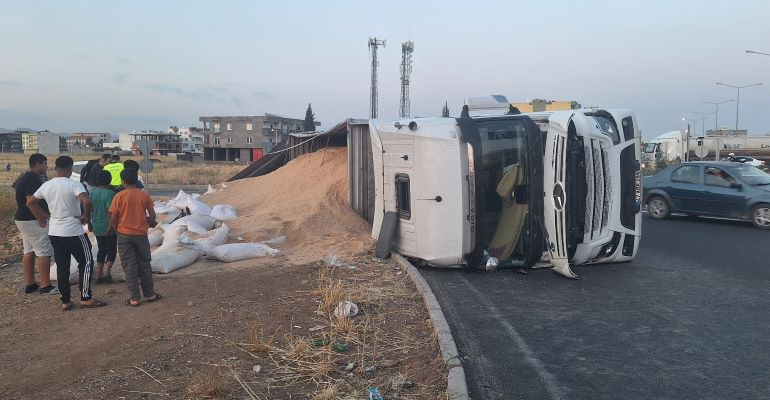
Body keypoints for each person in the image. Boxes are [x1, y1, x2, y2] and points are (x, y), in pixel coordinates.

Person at [27, 156, 107, 311]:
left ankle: (66, 301)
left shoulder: (47, 185)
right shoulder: (74, 184)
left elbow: (30, 202)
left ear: (56, 168)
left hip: (55, 232)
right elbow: (87, 201)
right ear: (70, 169)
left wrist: (43, 216)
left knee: (62, 266)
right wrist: (86, 216)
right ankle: (86, 297)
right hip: (74, 231)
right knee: (87, 261)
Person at [109, 168, 161, 306]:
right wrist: (146, 224)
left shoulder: (118, 196)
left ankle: (135, 298)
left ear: (122, 181)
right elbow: (153, 215)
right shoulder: (143, 195)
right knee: (144, 264)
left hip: (124, 235)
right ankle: (150, 294)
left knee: (129, 266)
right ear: (136, 180)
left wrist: (117, 229)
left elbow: (113, 217)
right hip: (141, 235)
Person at [12, 153, 57, 295]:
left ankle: (30, 284)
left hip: (23, 219)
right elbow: (31, 201)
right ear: (37, 164)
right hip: (32, 220)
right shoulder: (33, 178)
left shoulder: (25, 176)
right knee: (45, 250)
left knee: (29, 250)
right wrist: (43, 217)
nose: (47, 166)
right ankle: (45, 286)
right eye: (45, 163)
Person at [90, 170, 118, 284]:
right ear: (110, 180)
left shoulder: (92, 193)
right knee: (111, 249)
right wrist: (111, 225)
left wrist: (89, 223)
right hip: (108, 225)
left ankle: (98, 275)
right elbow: (109, 211)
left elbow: (89, 210)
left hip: (96, 225)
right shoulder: (110, 194)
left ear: (97, 181)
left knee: (101, 249)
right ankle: (107, 273)